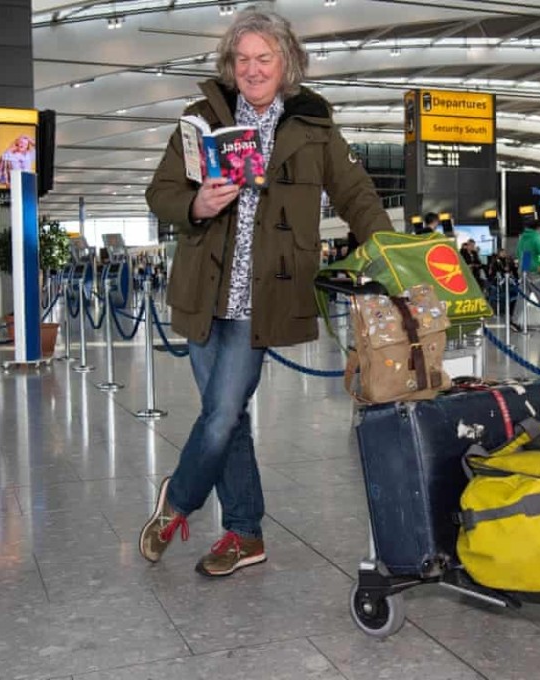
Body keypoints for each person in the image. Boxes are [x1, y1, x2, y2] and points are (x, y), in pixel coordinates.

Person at [141, 8, 391, 577]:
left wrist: (391, 251)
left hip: (261, 300)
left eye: (264, 58)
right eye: (242, 59)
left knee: (223, 412)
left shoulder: (313, 126)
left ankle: (178, 500)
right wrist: (195, 203)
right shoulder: (201, 119)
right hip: (203, 293)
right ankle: (245, 534)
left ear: (287, 62)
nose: (252, 70)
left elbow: (356, 195)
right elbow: (159, 192)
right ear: (230, 64)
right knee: (225, 418)